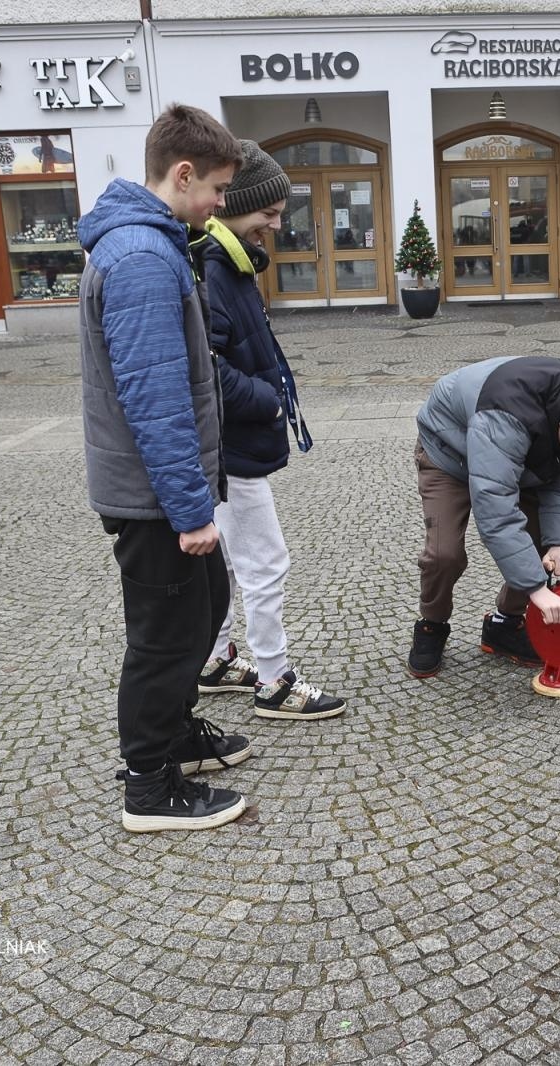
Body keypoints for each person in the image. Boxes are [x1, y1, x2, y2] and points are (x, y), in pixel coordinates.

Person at [79, 104, 252, 833]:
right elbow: (154, 395)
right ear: (182, 175)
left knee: (203, 608)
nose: (219, 206)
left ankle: (177, 734)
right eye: (215, 188)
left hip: (160, 491)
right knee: (165, 638)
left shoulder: (148, 244)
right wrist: (189, 512)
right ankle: (148, 787)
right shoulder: (143, 258)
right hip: (152, 498)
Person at [191, 140, 346, 722]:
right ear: (235, 205)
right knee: (265, 560)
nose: (278, 225)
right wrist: (267, 398)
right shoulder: (214, 269)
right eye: (269, 213)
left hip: (233, 444)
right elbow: (208, 370)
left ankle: (214, 659)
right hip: (232, 449)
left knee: (233, 560)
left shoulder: (230, 264)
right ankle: (275, 681)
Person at [407, 357, 560, 677]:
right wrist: (539, 590)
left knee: (538, 541)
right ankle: (432, 624)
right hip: (449, 453)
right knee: (444, 554)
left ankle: (505, 624)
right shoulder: (507, 415)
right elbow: (495, 511)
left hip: (519, 457)